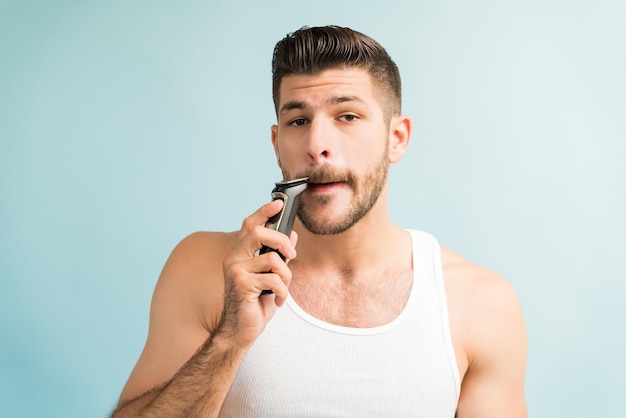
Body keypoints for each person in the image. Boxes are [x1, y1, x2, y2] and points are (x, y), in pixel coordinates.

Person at [111, 25, 527, 417]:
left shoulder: (479, 302)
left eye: (347, 116)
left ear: (396, 138)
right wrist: (229, 341)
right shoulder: (203, 269)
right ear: (277, 145)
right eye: (298, 121)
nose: (317, 145)